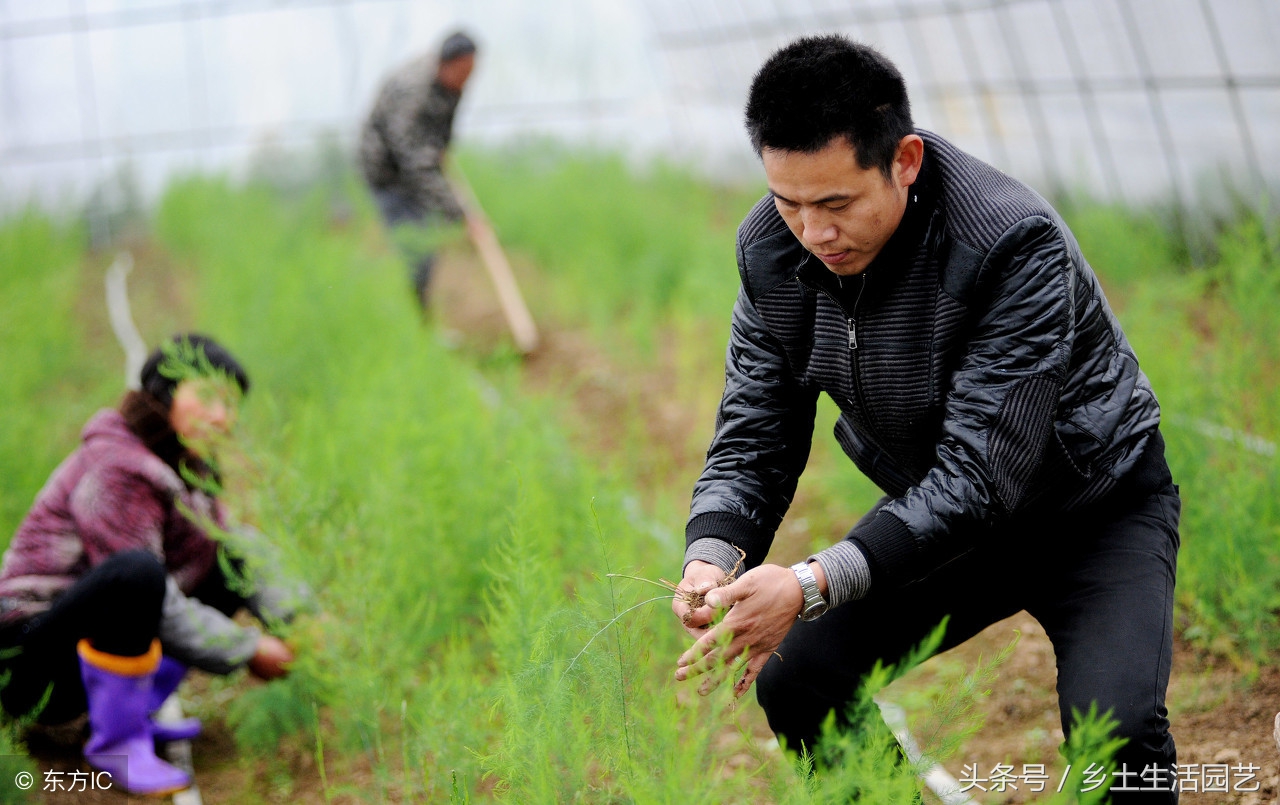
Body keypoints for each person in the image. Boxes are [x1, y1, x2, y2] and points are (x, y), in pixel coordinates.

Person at [672, 36, 1179, 802]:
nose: (813, 232)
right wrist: (712, 551)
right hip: (947, 521)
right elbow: (755, 430)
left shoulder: (1009, 242)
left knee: (1119, 730)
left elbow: (981, 473)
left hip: (1091, 508)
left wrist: (808, 584)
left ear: (903, 160)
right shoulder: (773, 253)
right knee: (798, 677)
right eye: (790, 202)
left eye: (836, 204)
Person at [0, 334, 304, 796]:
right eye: (207, 397)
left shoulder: (185, 464)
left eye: (231, 403)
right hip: (27, 659)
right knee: (137, 575)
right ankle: (117, 743)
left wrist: (302, 626)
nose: (222, 416)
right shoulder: (119, 467)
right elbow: (147, 592)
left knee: (227, 551)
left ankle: (131, 715)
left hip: (75, 642)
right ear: (163, 396)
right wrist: (246, 648)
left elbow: (239, 549)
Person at [359, 30, 479, 310]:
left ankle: (419, 316)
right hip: (388, 174)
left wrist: (441, 151)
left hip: (413, 170)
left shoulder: (452, 85)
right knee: (417, 250)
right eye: (463, 71)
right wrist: (459, 212)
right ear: (445, 63)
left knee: (426, 242)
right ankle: (409, 318)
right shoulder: (412, 89)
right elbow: (412, 157)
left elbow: (439, 138)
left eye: (471, 71)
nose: (467, 78)